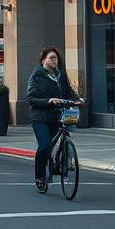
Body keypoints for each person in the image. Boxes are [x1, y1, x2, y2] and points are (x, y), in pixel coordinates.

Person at [26, 46, 79, 193]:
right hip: (40, 117)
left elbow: (68, 91)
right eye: (51, 57)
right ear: (43, 60)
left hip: (57, 116)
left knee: (61, 140)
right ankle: (40, 177)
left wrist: (77, 99)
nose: (54, 60)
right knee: (44, 146)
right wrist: (49, 100)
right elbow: (31, 99)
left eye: (56, 58)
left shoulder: (60, 75)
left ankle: (60, 164)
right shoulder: (36, 76)